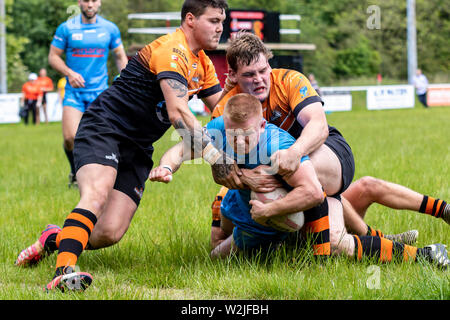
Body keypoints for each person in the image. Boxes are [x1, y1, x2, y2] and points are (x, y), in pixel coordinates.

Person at [15, 0, 229, 292]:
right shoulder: (172, 50)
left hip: (138, 146)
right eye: (214, 20)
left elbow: (223, 112)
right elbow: (178, 113)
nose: (220, 28)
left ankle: (53, 239)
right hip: (106, 127)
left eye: (222, 21)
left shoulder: (202, 63)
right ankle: (63, 271)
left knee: (108, 232)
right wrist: (217, 157)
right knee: (96, 194)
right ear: (190, 19)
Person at [150, 94, 449, 267]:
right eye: (232, 136)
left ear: (262, 126)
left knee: (334, 243)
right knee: (214, 244)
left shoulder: (280, 149)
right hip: (239, 204)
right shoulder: (219, 127)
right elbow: (184, 145)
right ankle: (381, 237)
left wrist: (269, 210)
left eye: (246, 136)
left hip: (275, 215)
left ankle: (423, 254)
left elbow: (314, 193)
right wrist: (166, 166)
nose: (238, 142)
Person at [209, 32, 356, 258]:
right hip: (287, 176)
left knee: (303, 176)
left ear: (269, 65)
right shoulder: (228, 106)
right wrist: (229, 172)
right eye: (249, 74)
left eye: (262, 70)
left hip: (323, 151)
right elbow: (218, 159)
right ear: (233, 75)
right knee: (335, 241)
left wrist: (294, 153)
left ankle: (318, 259)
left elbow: (319, 125)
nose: (259, 79)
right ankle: (370, 236)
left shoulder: (290, 80)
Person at [48, 0, 129, 187]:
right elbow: (53, 57)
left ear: (99, 3)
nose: (90, 5)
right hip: (74, 93)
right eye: (86, 1)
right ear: (79, 3)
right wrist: (69, 73)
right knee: (70, 138)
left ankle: (102, 177)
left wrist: (126, 81)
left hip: (100, 94)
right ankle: (75, 172)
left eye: (93, 0)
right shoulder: (66, 28)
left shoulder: (110, 29)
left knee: (104, 139)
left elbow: (119, 56)